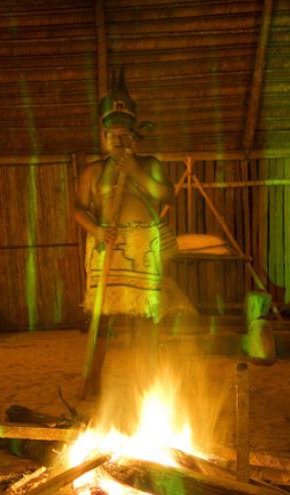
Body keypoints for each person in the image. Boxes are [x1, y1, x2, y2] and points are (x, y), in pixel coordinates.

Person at [74, 69, 175, 398]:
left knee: (145, 319)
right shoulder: (93, 171)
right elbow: (77, 209)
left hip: (142, 248)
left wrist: (133, 171)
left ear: (134, 135)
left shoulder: (150, 163)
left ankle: (149, 384)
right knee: (103, 319)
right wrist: (97, 230)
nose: (118, 139)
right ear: (103, 137)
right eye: (112, 134)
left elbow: (166, 195)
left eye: (124, 133)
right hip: (109, 245)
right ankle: (91, 382)